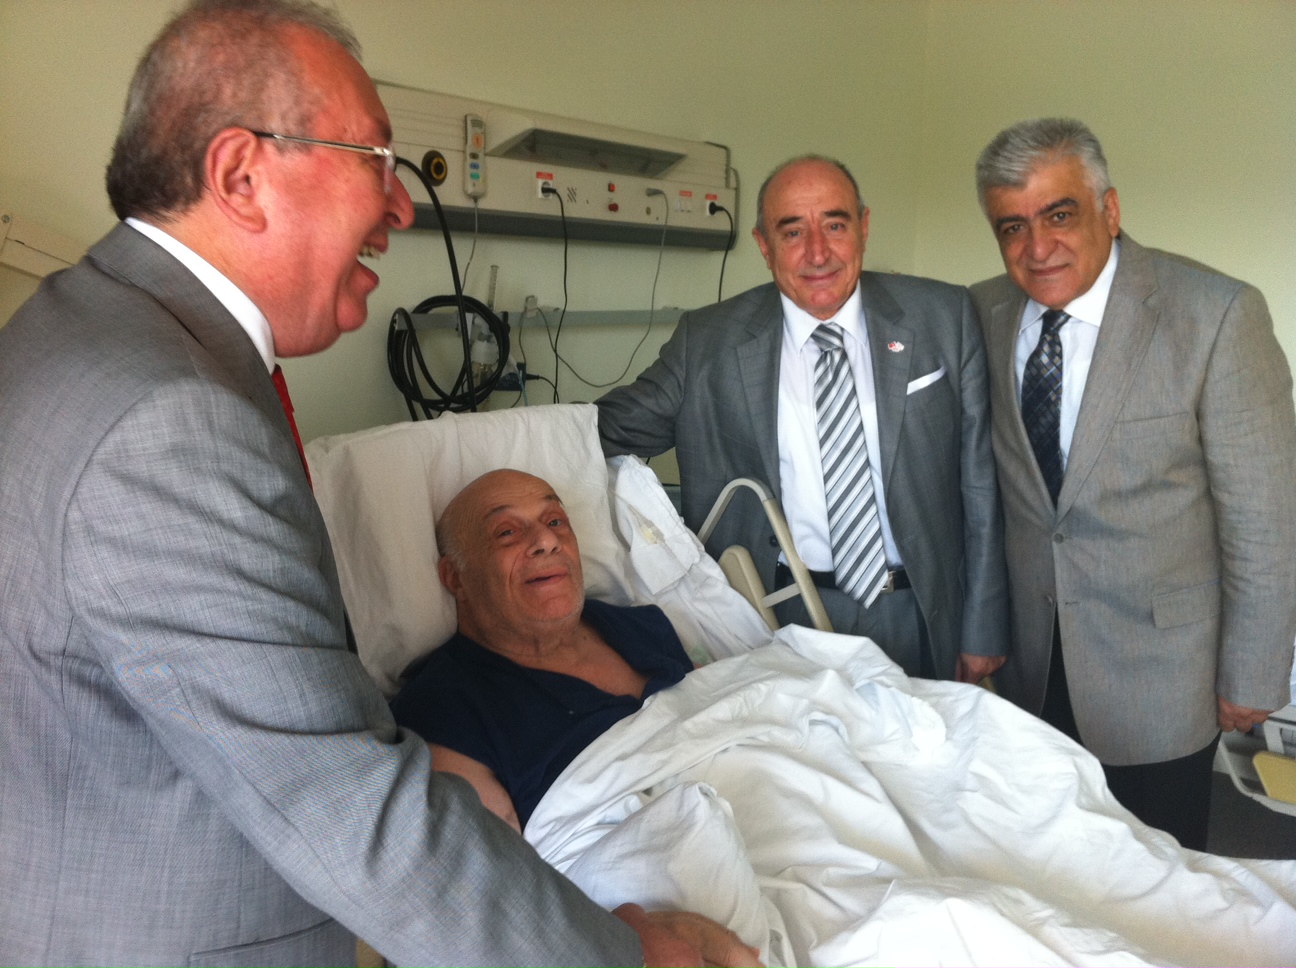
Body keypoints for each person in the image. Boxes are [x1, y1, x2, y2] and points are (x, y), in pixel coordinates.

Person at [0, 3, 758, 966]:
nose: (401, 207)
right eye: (375, 161)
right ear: (240, 176)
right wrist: (623, 956)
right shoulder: (169, 418)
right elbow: (345, 806)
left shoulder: (78, 332)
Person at [969, 117, 1296, 850]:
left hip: (1162, 677)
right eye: (1012, 226)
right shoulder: (983, 312)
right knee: (1039, 864)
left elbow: (1266, 519)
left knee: (1158, 875)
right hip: (1029, 666)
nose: (1037, 247)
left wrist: (1254, 673)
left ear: (1109, 210)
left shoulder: (1216, 315)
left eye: (1059, 214)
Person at [597, 155, 1009, 683]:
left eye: (835, 225)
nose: (818, 252)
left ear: (863, 227)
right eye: (792, 232)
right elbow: (604, 432)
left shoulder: (943, 315)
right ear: (763, 245)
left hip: (922, 612)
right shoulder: (707, 342)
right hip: (778, 617)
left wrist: (983, 627)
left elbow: (980, 482)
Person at [391, 469, 697, 833]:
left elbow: (721, 719)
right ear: (457, 577)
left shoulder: (643, 627)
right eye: (506, 532)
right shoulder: (444, 712)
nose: (548, 540)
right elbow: (497, 863)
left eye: (555, 521)